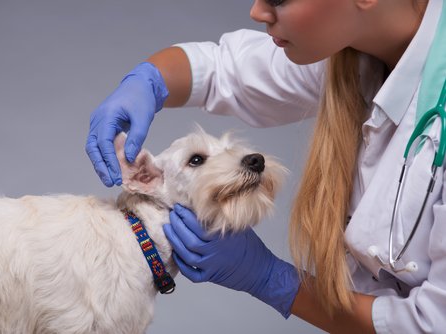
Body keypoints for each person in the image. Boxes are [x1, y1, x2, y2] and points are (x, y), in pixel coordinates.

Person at [85, 0, 446, 332]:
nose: (257, 11)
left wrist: (272, 280)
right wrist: (148, 81)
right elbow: (220, 70)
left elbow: (431, 324)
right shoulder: (348, 50)